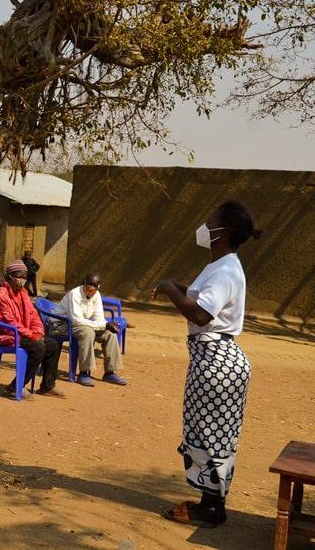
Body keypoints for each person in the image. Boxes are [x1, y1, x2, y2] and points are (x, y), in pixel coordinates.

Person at [152, 201, 261, 528]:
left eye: (209, 221)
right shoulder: (220, 265)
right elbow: (202, 298)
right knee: (211, 433)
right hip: (213, 360)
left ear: (222, 233)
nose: (204, 226)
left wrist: (171, 288)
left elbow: (200, 314)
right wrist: (180, 287)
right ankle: (211, 502)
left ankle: (210, 509)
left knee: (212, 436)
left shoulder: (226, 270)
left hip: (217, 363)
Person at [0, 261, 64, 399]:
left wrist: (38, 331)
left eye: (24, 276)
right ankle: (15, 387)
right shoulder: (1, 295)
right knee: (38, 347)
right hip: (3, 334)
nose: (22, 280)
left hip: (20, 333)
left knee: (52, 344)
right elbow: (9, 323)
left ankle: (47, 385)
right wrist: (32, 335)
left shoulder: (23, 294)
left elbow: (33, 315)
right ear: (9, 276)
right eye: (18, 276)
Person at [56, 273, 126, 387]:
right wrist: (104, 324)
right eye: (87, 286)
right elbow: (77, 320)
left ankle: (110, 372)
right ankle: (84, 373)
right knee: (88, 332)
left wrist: (106, 325)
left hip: (81, 324)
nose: (89, 290)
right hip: (63, 324)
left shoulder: (97, 295)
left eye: (93, 288)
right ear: (83, 284)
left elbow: (99, 318)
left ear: (98, 287)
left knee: (109, 334)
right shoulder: (74, 294)